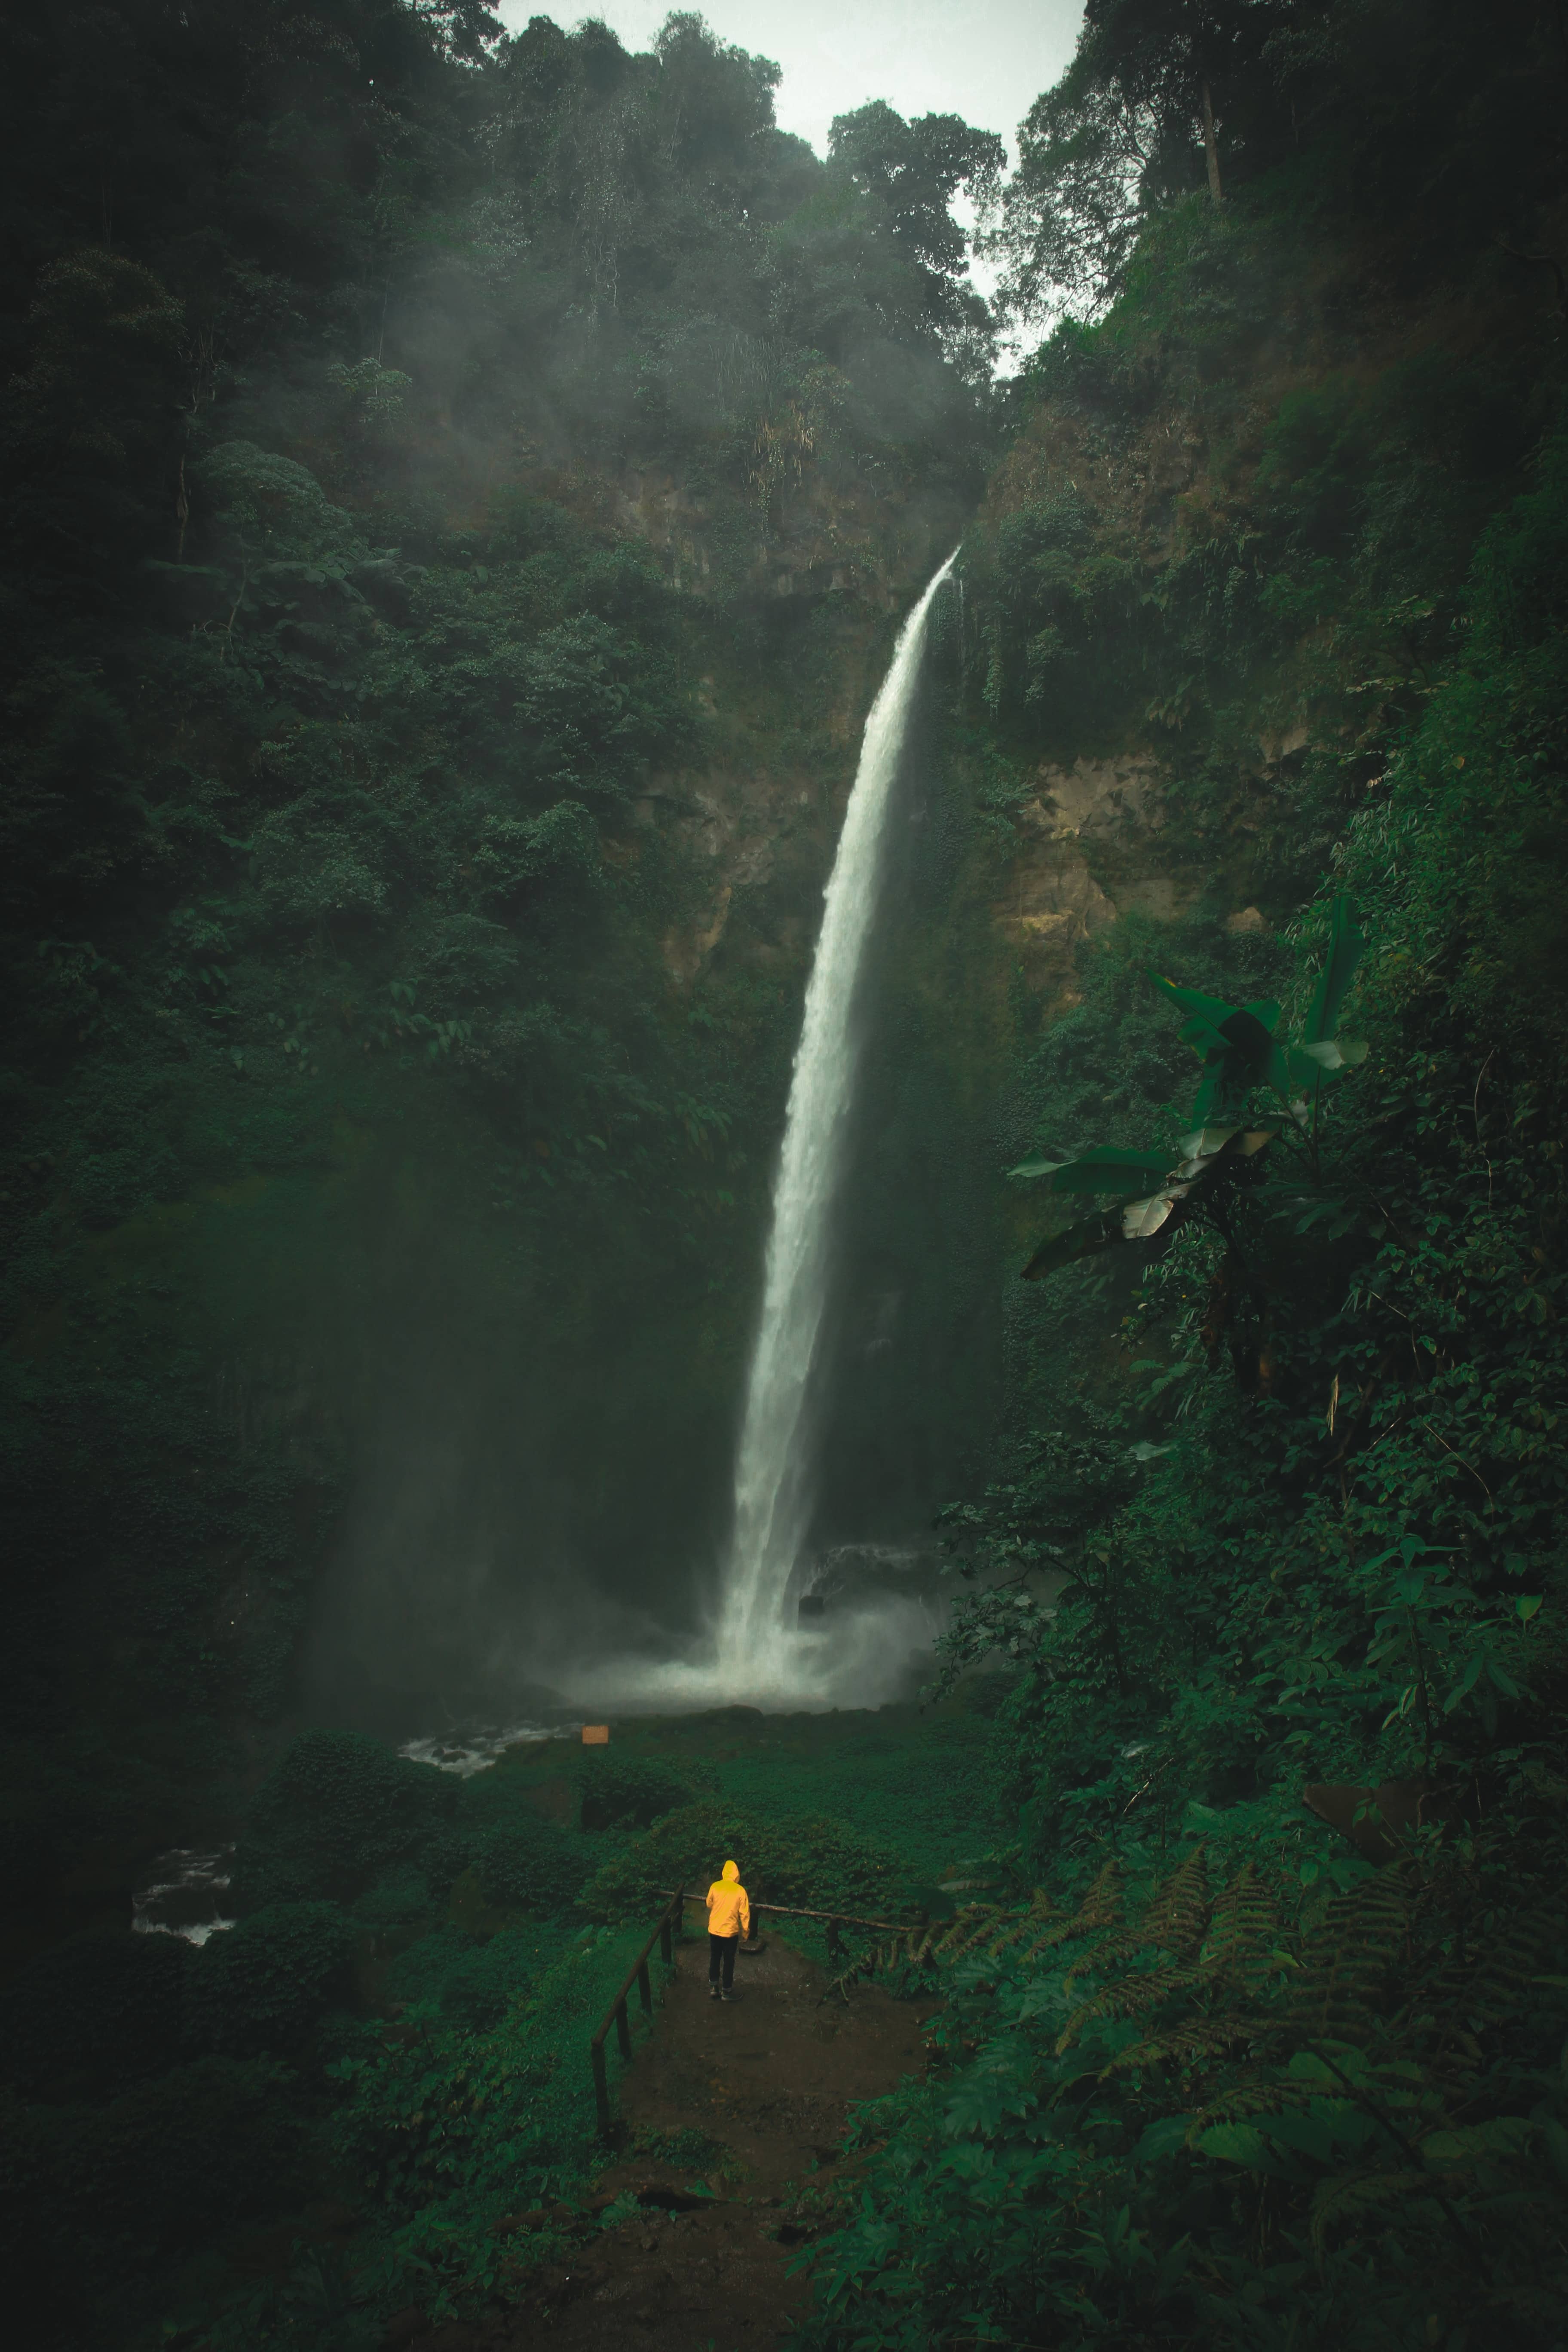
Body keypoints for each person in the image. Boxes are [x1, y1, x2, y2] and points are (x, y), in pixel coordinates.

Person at [705, 1857, 750, 2000]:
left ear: (724, 1872)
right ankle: (727, 1991)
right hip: (730, 1932)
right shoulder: (740, 1891)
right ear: (736, 1874)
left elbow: (709, 1903)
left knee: (715, 1957)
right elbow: (745, 1913)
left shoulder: (715, 1886)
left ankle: (713, 1987)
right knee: (729, 1961)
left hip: (715, 1929)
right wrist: (746, 1932)